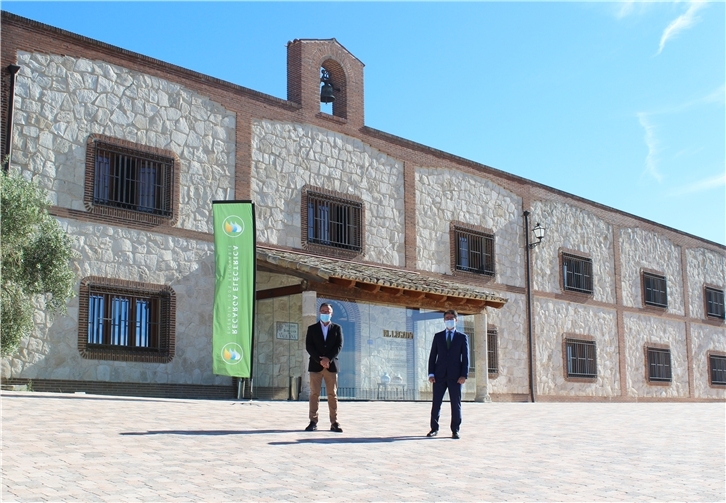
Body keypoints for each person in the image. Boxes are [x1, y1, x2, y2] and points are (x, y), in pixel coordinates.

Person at [426, 309, 469, 439]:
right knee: (436, 403)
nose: (449, 320)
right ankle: (434, 428)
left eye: (451, 318)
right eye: (447, 318)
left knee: (455, 404)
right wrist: (431, 373)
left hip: (456, 377)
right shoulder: (438, 336)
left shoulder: (462, 337)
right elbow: (433, 356)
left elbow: (466, 358)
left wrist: (464, 375)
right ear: (444, 320)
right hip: (439, 376)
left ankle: (455, 430)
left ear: (456, 320)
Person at [305, 303, 344, 433]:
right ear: (319, 313)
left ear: (331, 314)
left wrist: (328, 359)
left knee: (332, 395)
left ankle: (334, 422)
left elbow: (339, 345)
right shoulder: (312, 329)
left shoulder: (337, 328)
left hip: (331, 366)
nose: (325, 313)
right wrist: (320, 360)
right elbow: (309, 346)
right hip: (316, 366)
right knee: (314, 394)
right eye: (323, 311)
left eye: (327, 311)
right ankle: (313, 421)